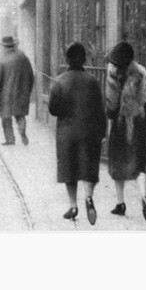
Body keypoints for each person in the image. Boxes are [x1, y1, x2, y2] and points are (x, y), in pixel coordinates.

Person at [48, 42, 106, 225]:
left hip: (67, 132)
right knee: (89, 167)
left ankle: (73, 206)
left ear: (67, 59)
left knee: (69, 169)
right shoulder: (92, 81)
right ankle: (88, 197)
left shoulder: (59, 81)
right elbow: (100, 109)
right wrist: (103, 132)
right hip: (89, 131)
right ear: (84, 59)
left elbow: (53, 110)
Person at [104, 41, 146, 222]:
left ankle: (120, 203)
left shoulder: (113, 75)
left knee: (118, 164)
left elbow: (111, 105)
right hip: (142, 124)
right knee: (140, 164)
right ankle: (144, 197)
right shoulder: (142, 72)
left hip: (121, 126)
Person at [0, 36, 35, 146]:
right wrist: (28, 90)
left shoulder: (1, 60)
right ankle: (22, 132)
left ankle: (10, 139)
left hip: (5, 95)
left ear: (3, 46)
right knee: (20, 115)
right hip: (21, 93)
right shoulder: (23, 57)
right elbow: (30, 76)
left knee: (6, 118)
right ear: (13, 45)